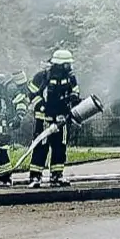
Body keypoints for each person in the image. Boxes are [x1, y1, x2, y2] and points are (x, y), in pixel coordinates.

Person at [26, 49, 82, 187]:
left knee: (59, 148)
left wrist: (74, 98)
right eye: (67, 64)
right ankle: (35, 177)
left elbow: (75, 91)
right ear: (59, 64)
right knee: (40, 148)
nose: (69, 67)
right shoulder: (41, 77)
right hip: (44, 120)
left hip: (62, 119)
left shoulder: (70, 78)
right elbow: (31, 94)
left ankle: (56, 176)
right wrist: (42, 107)